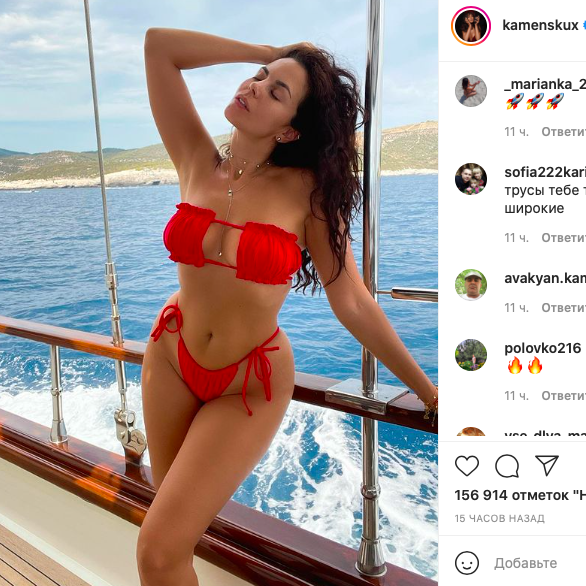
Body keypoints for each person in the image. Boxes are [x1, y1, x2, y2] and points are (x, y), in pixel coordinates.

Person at [139, 27, 438, 585]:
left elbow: (351, 300)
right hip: (171, 358)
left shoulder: (308, 192)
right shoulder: (195, 159)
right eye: (258, 78)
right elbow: (160, 47)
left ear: (290, 129)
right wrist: (269, 55)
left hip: (248, 381)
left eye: (276, 92)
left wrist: (428, 392)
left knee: (158, 551)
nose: (254, 86)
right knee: (169, 536)